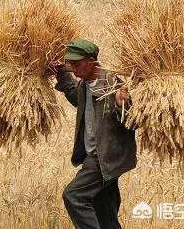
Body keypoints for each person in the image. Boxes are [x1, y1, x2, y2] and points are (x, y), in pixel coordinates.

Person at [52, 38, 136, 229]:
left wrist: (120, 104)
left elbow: (133, 121)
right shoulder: (85, 83)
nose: (73, 68)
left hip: (105, 155)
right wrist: (61, 73)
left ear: (91, 61)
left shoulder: (112, 83)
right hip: (95, 153)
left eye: (76, 63)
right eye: (70, 64)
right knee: (105, 214)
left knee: (73, 196)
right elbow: (76, 96)